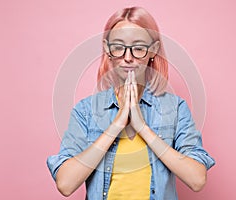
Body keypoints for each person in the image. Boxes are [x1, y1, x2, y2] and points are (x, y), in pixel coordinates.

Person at [47, 6, 215, 200]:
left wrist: (142, 127)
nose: (128, 57)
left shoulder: (175, 109)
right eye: (118, 47)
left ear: (153, 50)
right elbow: (65, 184)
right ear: (107, 50)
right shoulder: (85, 111)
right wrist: (116, 124)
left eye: (138, 48)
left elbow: (197, 179)